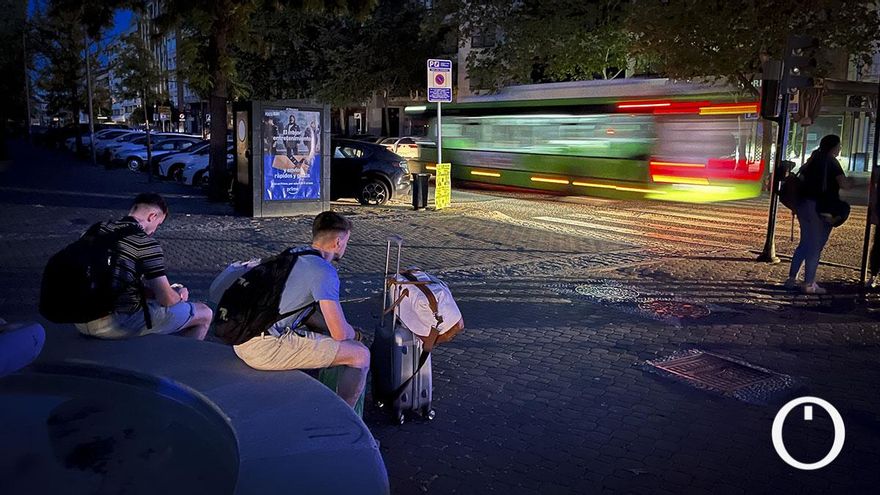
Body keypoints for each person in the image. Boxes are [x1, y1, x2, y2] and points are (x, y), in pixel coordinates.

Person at [231, 212, 370, 408]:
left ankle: (318, 400)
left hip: (242, 338)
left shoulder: (294, 254)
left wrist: (339, 330)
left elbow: (306, 314)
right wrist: (355, 334)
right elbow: (339, 333)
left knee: (327, 337)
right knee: (360, 355)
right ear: (338, 242)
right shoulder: (324, 271)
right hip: (263, 348)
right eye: (346, 242)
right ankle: (342, 419)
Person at [75, 193, 213, 339]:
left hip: (80, 318)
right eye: (158, 224)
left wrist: (152, 293)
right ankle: (180, 354)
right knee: (204, 313)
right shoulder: (145, 243)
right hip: (115, 323)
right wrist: (178, 295)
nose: (154, 231)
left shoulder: (94, 230)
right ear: (152, 216)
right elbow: (166, 299)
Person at [784, 135, 850, 294]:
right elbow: (844, 184)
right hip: (820, 206)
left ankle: (791, 279)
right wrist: (859, 183)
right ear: (834, 147)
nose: (839, 148)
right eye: (839, 146)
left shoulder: (812, 160)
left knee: (805, 243)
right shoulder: (831, 162)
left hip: (803, 205)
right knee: (815, 246)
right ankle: (809, 284)